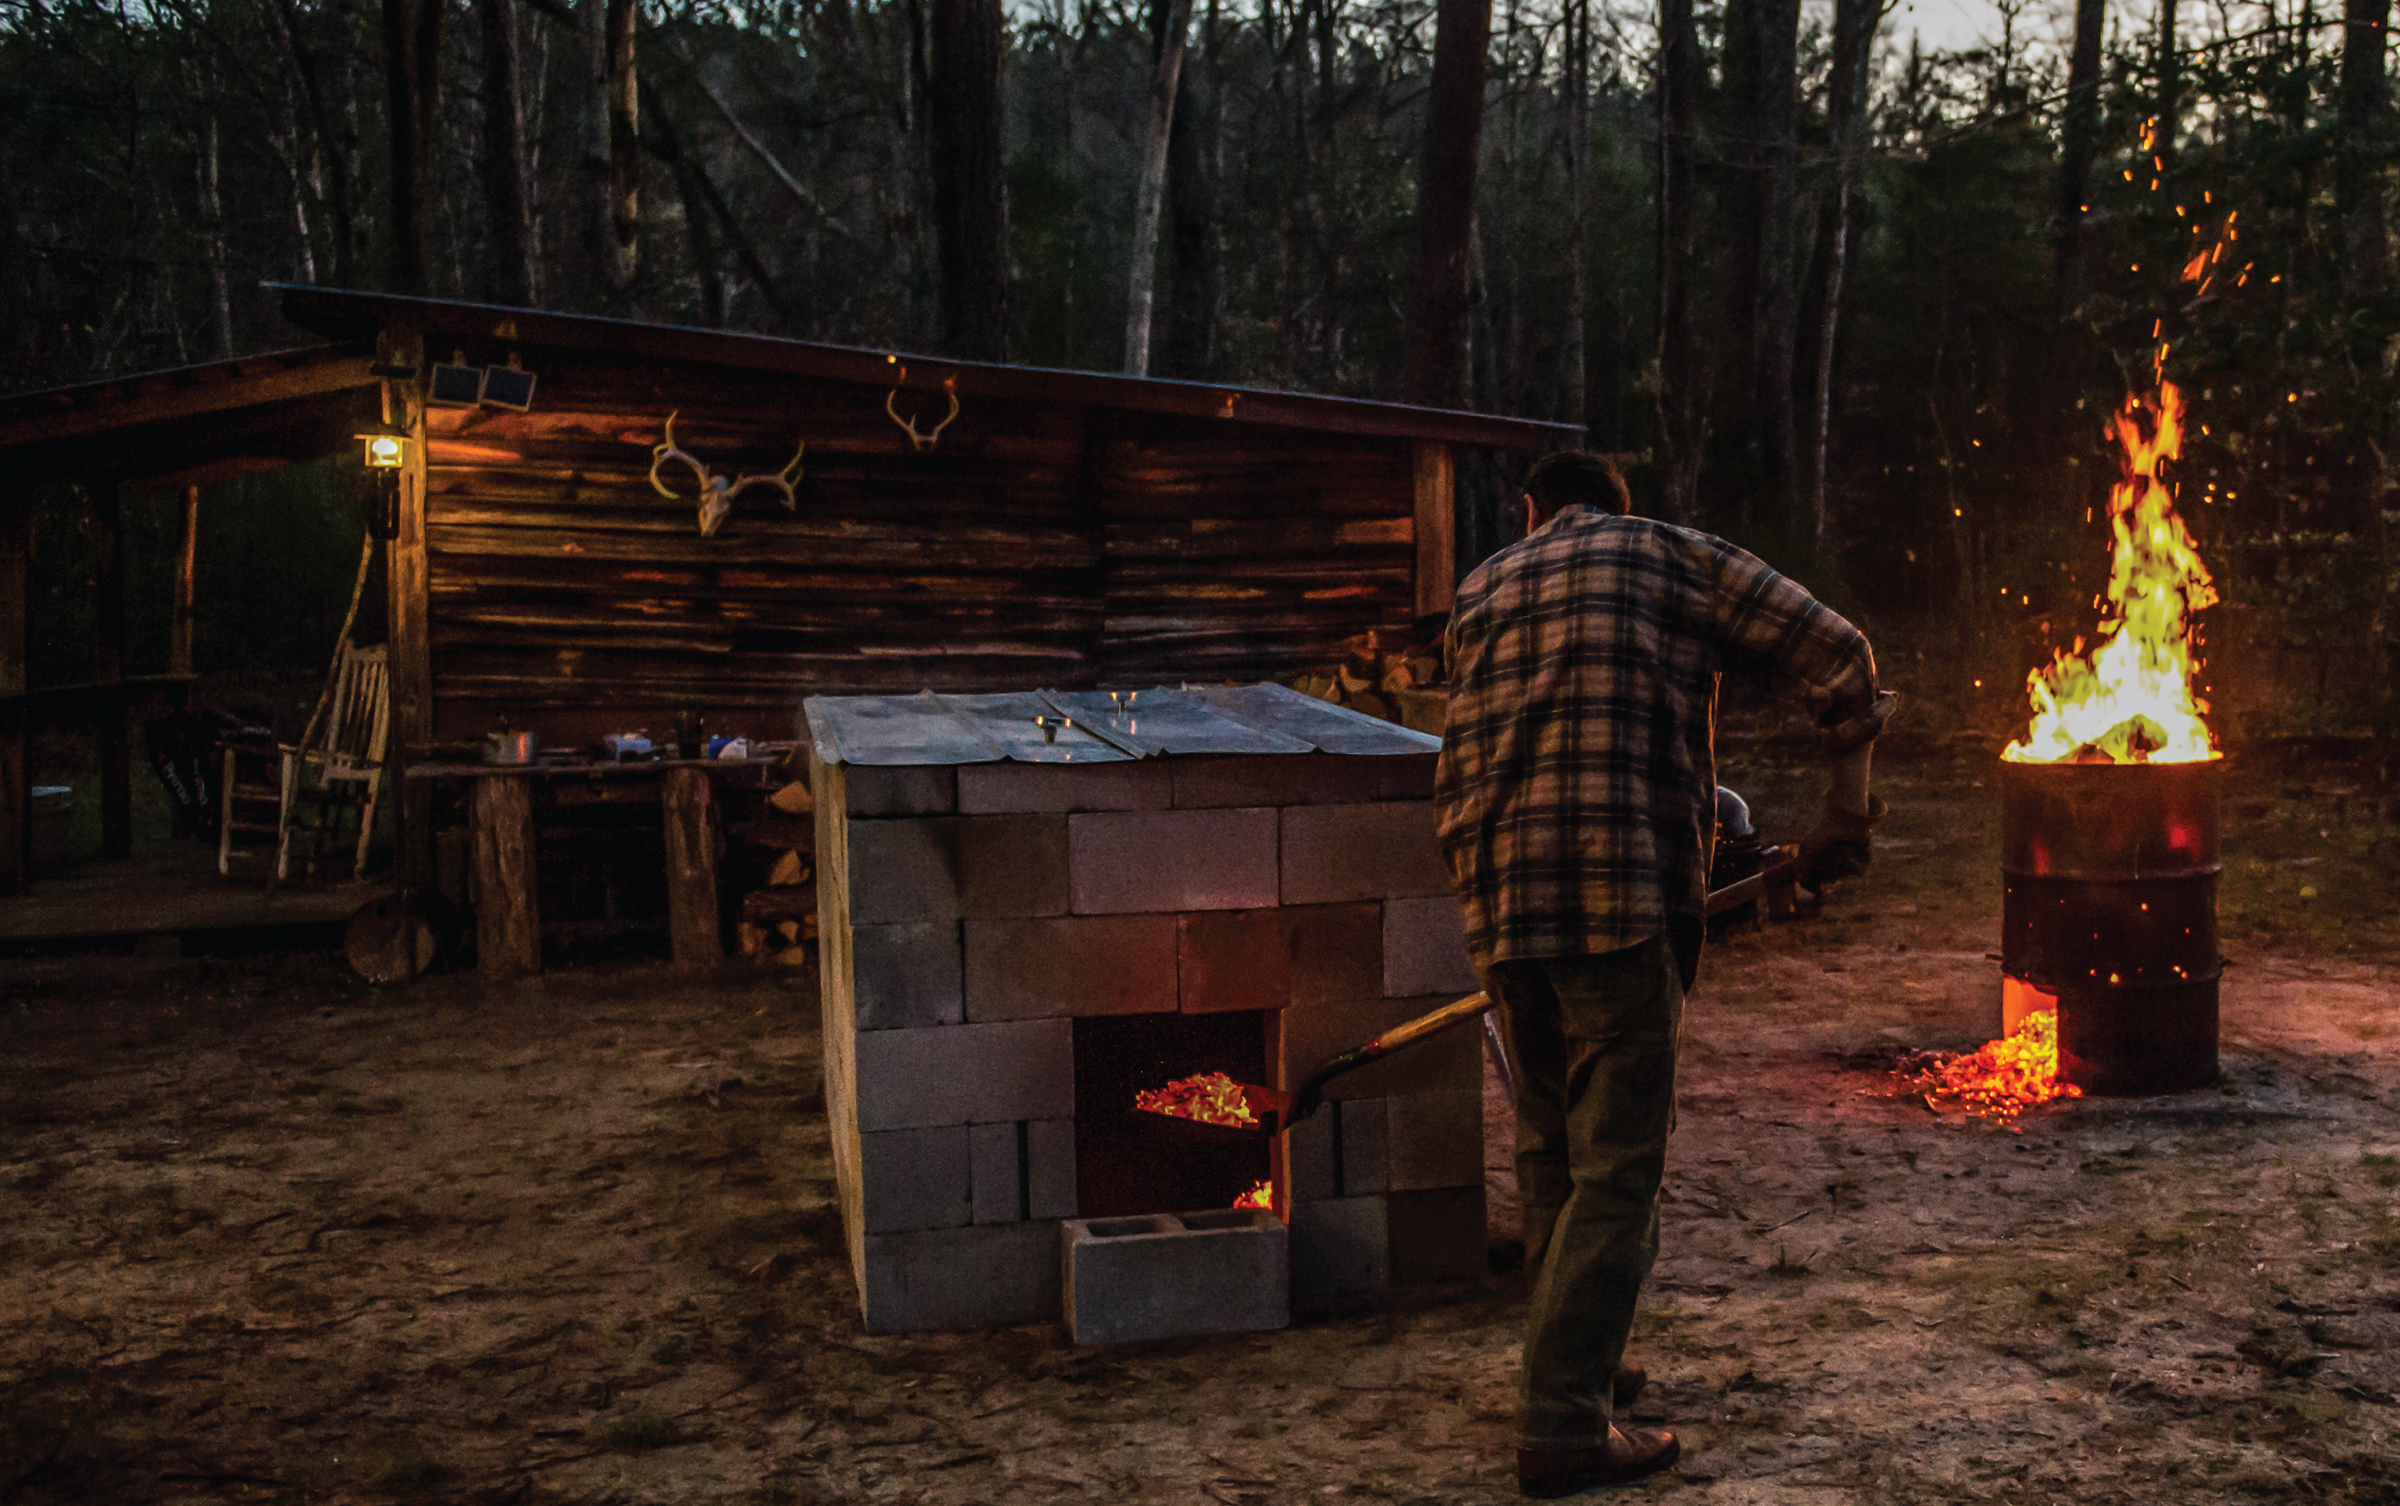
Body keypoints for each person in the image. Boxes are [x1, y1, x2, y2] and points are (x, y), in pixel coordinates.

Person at [1435, 451, 1894, 1497]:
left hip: (1499, 899)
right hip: (1615, 896)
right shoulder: (1672, 556)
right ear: (1614, 509)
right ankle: (1559, 1425)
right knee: (1618, 1169)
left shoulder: (1481, 587)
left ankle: (1580, 1360)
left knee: (1550, 1145)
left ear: (1530, 511)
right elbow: (1834, 646)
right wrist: (1847, 808)